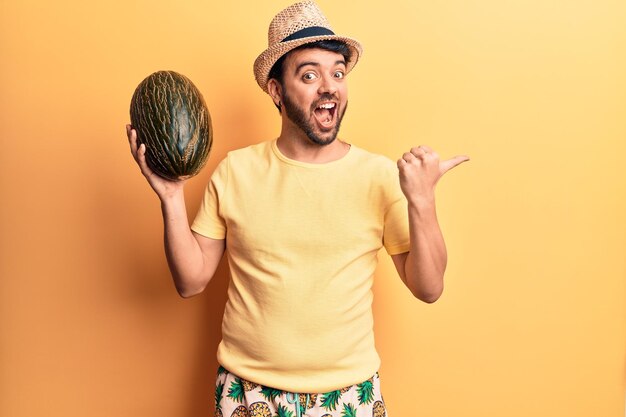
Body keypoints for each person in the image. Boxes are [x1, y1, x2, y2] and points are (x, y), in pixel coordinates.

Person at [126, 1, 468, 416]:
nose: (329, 86)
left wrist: (422, 200)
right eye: (310, 74)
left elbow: (428, 288)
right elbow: (191, 281)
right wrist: (171, 196)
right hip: (248, 393)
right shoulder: (236, 171)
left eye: (338, 73)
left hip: (348, 396)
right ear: (276, 90)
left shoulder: (378, 175)